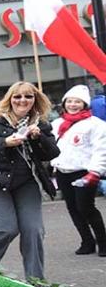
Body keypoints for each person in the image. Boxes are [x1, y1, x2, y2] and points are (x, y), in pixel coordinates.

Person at [0, 82, 59, 281]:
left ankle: (36, 282)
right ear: (10, 98)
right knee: (6, 228)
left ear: (35, 100)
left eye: (28, 96)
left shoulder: (39, 123)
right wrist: (4, 143)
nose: (22, 100)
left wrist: (38, 137)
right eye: (17, 96)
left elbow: (52, 152)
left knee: (33, 230)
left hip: (26, 183)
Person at [50, 85, 106, 256]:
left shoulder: (95, 124)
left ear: (84, 104)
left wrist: (96, 171)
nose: (73, 105)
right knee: (72, 208)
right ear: (64, 103)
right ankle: (87, 241)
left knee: (86, 207)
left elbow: (101, 149)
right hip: (62, 172)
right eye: (69, 101)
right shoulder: (57, 123)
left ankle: (103, 242)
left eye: (77, 102)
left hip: (84, 172)